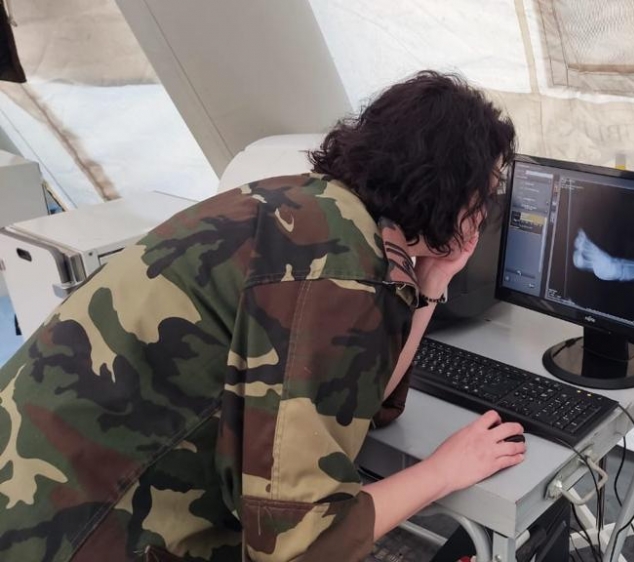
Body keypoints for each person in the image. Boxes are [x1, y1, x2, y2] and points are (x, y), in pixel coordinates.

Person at [0, 70, 523, 561]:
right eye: (485, 192)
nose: (484, 213)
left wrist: (433, 281)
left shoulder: (307, 205)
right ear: (447, 189)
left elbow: (362, 404)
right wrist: (443, 471)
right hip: (65, 531)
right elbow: (299, 546)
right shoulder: (338, 274)